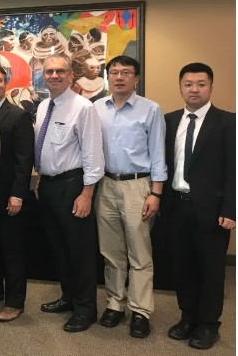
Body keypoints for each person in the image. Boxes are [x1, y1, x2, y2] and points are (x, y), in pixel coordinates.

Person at [93, 55, 167, 338]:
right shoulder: (96, 108)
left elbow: (158, 154)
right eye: (114, 72)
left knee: (139, 251)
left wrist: (156, 193)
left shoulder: (150, 109)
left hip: (138, 186)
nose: (119, 77)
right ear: (108, 77)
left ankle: (140, 310)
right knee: (111, 251)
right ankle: (115, 303)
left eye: (126, 72)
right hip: (105, 185)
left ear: (136, 78)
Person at [163, 62, 235, 350]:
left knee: (211, 269)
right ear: (180, 87)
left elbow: (234, 170)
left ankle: (208, 324)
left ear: (211, 87)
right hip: (176, 207)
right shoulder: (169, 121)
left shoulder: (228, 122)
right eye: (188, 84)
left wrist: (231, 209)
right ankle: (188, 317)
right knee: (182, 267)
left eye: (201, 84)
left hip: (212, 211)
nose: (194, 89)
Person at [34, 53, 104, 333]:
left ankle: (86, 309)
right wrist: (41, 179)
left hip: (73, 186)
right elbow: (46, 148)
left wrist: (87, 193)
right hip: (49, 185)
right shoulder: (43, 106)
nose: (54, 76)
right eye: (49, 71)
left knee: (80, 251)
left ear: (70, 76)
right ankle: (68, 298)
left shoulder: (83, 107)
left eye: (59, 71)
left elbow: (93, 153)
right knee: (59, 248)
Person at [0, 63, 34, 322]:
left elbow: (25, 159)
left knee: (12, 251)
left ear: (6, 83)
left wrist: (18, 195)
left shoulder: (18, 115)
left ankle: (14, 301)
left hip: (9, 195)